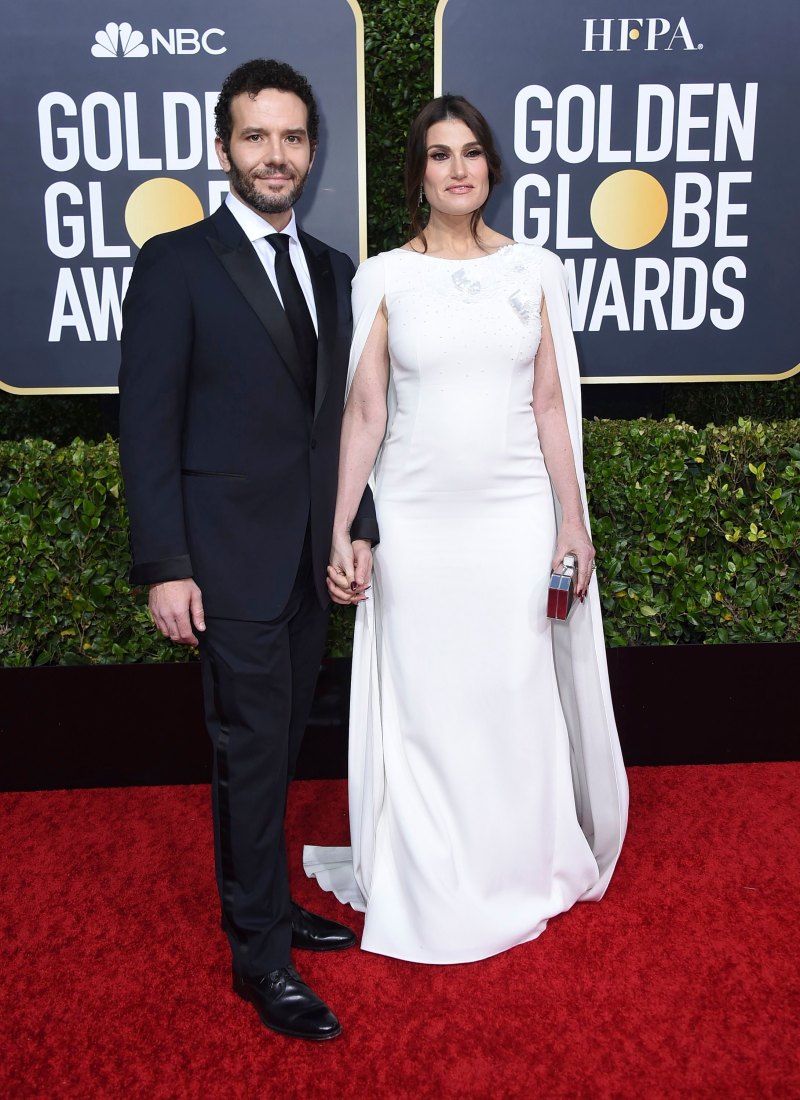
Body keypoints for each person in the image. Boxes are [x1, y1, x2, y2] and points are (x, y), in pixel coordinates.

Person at [303, 96, 629, 963]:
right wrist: (341, 525)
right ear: (416, 175)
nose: (458, 169)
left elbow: (553, 404)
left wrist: (573, 523)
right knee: (425, 699)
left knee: (512, 695)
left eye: (472, 153)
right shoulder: (382, 277)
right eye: (440, 155)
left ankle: (518, 860)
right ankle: (429, 873)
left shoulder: (536, 269)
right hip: (414, 520)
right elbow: (364, 411)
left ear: (490, 168)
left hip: (515, 517)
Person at [118, 59, 377, 1039]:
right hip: (222, 561)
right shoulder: (176, 262)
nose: (277, 155)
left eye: (293, 137)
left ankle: (269, 907)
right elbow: (146, 424)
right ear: (223, 148)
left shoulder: (333, 273)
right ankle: (258, 954)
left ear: (311, 151)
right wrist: (163, 561)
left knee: (276, 747)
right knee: (250, 754)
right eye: (256, 136)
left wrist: (358, 528)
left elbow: (349, 423)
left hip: (310, 561)